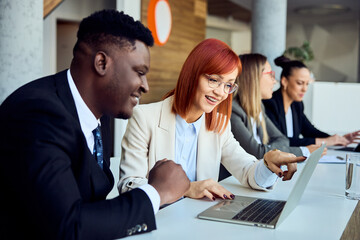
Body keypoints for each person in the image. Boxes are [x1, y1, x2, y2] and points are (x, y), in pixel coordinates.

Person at [0, 9, 190, 240]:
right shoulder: (38, 114)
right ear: (101, 63)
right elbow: (69, 226)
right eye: (140, 72)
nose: (145, 86)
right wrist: (157, 192)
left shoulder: (100, 110)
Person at [119, 39, 306, 202]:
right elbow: (129, 185)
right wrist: (186, 189)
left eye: (228, 85)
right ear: (193, 74)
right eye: (214, 80)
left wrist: (267, 164)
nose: (220, 92)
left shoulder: (220, 124)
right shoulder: (144, 117)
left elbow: (247, 171)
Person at [230, 53, 321, 159]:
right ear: (253, 77)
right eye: (270, 75)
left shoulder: (259, 108)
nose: (274, 81)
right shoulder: (233, 110)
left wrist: (268, 149)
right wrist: (303, 151)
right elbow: (258, 152)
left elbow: (282, 139)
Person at [262, 56, 360, 147]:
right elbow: (281, 141)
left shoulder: (297, 105)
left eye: (307, 84)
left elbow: (310, 131)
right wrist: (326, 141)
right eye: (300, 83)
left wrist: (337, 139)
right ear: (284, 81)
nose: (305, 89)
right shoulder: (270, 104)